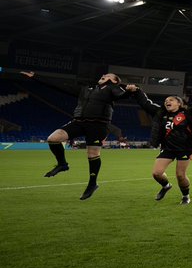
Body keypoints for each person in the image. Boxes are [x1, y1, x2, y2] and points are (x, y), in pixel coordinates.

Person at [22, 69, 133, 200]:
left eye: (108, 75)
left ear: (114, 81)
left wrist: (129, 91)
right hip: (79, 122)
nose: (104, 75)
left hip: (98, 125)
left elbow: (121, 95)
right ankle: (62, 164)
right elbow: (59, 86)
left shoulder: (112, 89)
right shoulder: (86, 89)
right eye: (104, 74)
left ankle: (92, 184)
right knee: (53, 138)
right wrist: (36, 77)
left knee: (93, 154)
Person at [130, 90, 192, 204]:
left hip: (185, 148)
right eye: (166, 101)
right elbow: (146, 104)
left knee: (180, 175)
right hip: (167, 148)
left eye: (171, 100)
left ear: (179, 103)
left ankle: (185, 196)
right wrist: (137, 91)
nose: (167, 102)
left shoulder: (188, 114)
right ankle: (166, 186)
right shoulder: (161, 112)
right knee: (157, 173)